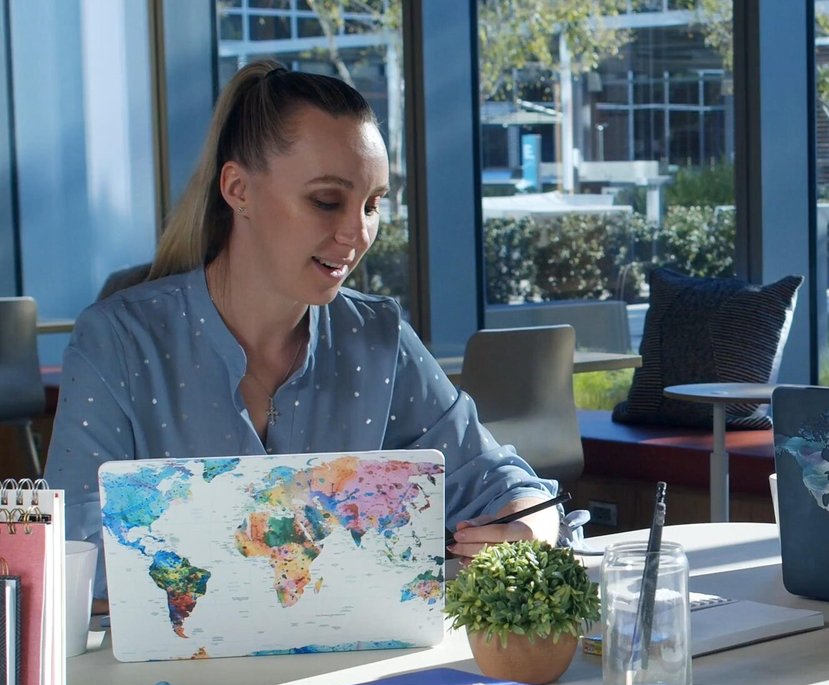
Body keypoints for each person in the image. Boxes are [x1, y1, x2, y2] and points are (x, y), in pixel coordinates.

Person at [46, 60, 560, 587]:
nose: (357, 233)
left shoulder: (379, 338)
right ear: (238, 189)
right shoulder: (117, 342)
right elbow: (74, 550)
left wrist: (531, 525)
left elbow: (497, 481)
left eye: (372, 205)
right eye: (327, 201)